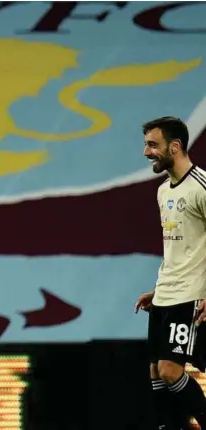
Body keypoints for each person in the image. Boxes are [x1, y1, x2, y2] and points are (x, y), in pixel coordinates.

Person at [135, 116, 206, 429]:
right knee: (155, 371)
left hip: (190, 295)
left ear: (175, 147)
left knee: (169, 370)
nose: (146, 152)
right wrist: (157, 288)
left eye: (153, 145)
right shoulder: (164, 191)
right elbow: (180, 248)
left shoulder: (201, 188)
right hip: (166, 292)